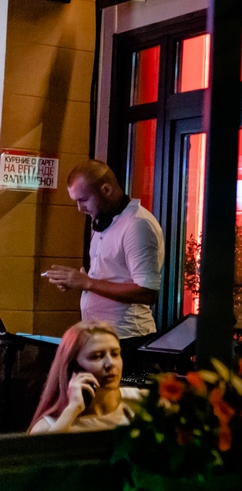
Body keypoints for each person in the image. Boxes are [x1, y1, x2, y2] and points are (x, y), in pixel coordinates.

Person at [46, 161, 164, 353]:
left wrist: (87, 283)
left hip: (127, 339)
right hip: (99, 336)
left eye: (84, 199)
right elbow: (111, 277)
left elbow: (147, 292)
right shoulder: (104, 222)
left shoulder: (137, 225)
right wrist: (78, 281)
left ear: (106, 190)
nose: (79, 208)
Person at [29, 322, 142, 433]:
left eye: (115, 354)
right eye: (96, 356)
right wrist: (73, 410)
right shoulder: (47, 427)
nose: (110, 363)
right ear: (73, 367)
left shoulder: (143, 402)